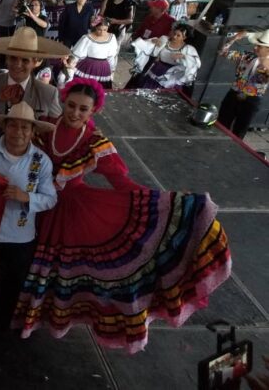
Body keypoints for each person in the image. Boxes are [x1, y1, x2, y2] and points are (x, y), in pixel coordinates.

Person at [13, 79, 231, 352]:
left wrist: (165, 200)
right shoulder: (46, 127)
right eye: (71, 105)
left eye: (83, 109)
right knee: (27, 259)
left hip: (74, 212)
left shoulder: (94, 143)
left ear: (94, 111)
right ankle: (26, 314)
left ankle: (49, 320)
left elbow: (122, 182)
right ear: (63, 101)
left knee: (61, 269)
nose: (75, 113)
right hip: (39, 204)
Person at [0, 102, 56, 329]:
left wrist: (26, 197)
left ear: (33, 132)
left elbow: (50, 198)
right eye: (13, 126)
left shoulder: (42, 161)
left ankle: (3, 324)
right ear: (5, 127)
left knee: (13, 282)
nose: (19, 132)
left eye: (25, 128)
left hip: (20, 235)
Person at [0, 27, 69, 117]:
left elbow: (56, 126)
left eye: (25, 60)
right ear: (7, 59)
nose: (18, 65)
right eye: (13, 58)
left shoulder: (48, 93)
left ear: (34, 63)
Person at [218, 29, 269, 139]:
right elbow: (223, 52)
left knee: (239, 132)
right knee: (221, 125)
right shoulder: (247, 56)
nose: (255, 48)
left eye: (259, 46)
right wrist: (233, 39)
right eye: (256, 45)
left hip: (251, 100)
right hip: (233, 94)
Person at [128, 23, 201, 90]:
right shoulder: (164, 40)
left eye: (178, 35)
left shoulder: (188, 49)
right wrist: (152, 42)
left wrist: (184, 57)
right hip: (158, 69)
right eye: (174, 34)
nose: (175, 37)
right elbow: (150, 49)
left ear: (184, 37)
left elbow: (196, 64)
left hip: (172, 74)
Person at [71, 16, 120, 89]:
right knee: (86, 88)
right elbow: (77, 54)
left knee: (100, 89)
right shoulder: (87, 38)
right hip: (88, 67)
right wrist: (71, 65)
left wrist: (112, 69)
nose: (102, 32)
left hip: (104, 68)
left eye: (105, 30)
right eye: (99, 29)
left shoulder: (112, 38)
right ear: (95, 28)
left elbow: (111, 56)